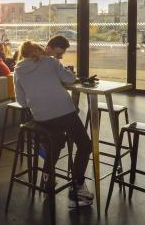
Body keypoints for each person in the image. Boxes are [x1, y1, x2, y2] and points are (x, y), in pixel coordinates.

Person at [13, 41, 93, 208]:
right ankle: (77, 189)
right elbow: (70, 79)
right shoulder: (50, 61)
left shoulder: (18, 70)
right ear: (39, 51)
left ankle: (47, 178)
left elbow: (21, 102)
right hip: (64, 111)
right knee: (85, 145)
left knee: (56, 143)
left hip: (42, 117)